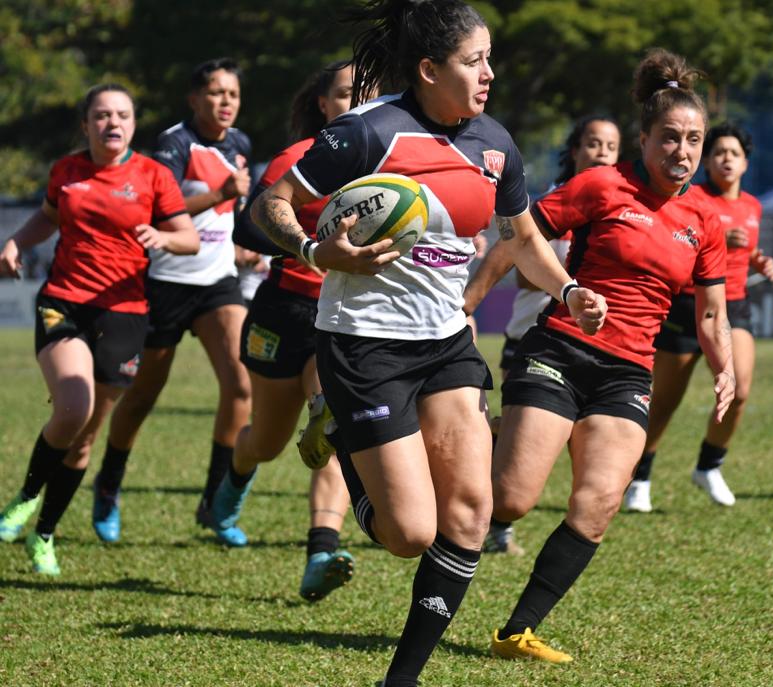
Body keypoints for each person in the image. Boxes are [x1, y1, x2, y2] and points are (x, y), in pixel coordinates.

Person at [248, 1, 606, 684]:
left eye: (490, 58)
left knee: (471, 512)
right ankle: (339, 430)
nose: (489, 73)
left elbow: (523, 237)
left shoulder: (494, 142)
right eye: (475, 61)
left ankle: (400, 678)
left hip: (445, 346)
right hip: (363, 346)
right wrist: (319, 253)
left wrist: (567, 291)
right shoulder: (366, 133)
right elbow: (269, 202)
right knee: (408, 534)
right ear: (429, 68)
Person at [464, 48, 734, 663]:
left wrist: (727, 368)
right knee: (510, 501)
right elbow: (519, 234)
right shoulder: (602, 185)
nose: (683, 152)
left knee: (600, 501)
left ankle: (517, 631)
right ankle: (474, 434)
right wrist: (469, 304)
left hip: (627, 372)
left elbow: (713, 312)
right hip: (561, 348)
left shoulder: (705, 220)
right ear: (643, 138)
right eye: (670, 138)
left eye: (693, 139)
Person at [0, 84, 199, 575]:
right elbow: (47, 219)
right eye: (103, 115)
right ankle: (25, 496)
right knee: (74, 404)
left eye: (123, 115)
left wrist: (164, 238)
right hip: (64, 302)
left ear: (134, 124)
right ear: (86, 124)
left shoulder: (153, 175)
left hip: (125, 311)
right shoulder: (66, 171)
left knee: (85, 437)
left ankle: (44, 533)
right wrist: (15, 242)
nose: (113, 123)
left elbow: (189, 239)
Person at [92, 58, 254, 544]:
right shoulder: (174, 144)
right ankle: (108, 486)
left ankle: (214, 502)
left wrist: (243, 241)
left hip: (218, 282)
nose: (226, 102)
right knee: (142, 395)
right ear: (194, 98)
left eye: (233, 94)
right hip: (164, 283)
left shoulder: (241, 144)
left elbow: (236, 205)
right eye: (215, 93)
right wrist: (220, 194)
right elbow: (155, 209)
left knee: (241, 386)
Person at [220, 60, 360, 600]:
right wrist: (308, 241)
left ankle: (321, 550)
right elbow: (245, 227)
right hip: (286, 313)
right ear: (323, 105)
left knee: (333, 427)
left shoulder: (398, 167)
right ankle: (231, 486)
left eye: (366, 93)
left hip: (348, 320)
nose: (356, 103)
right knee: (269, 440)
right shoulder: (298, 161)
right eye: (346, 94)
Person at [474, 115, 621, 555]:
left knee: (550, 440)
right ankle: (496, 523)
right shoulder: (551, 204)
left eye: (610, 147)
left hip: (587, 344)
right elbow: (521, 275)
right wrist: (571, 284)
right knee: (524, 433)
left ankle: (485, 457)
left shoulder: (619, 210)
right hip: (531, 336)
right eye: (592, 143)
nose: (600, 152)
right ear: (574, 151)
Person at [624, 122, 773, 512]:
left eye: (734, 154)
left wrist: (760, 260)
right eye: (719, 152)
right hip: (688, 306)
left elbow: (745, 253)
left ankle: (709, 466)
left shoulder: (753, 206)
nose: (726, 159)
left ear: (745, 164)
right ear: (706, 161)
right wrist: (716, 242)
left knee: (739, 391)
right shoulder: (692, 199)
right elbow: (671, 245)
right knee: (663, 404)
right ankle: (639, 478)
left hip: (734, 306)